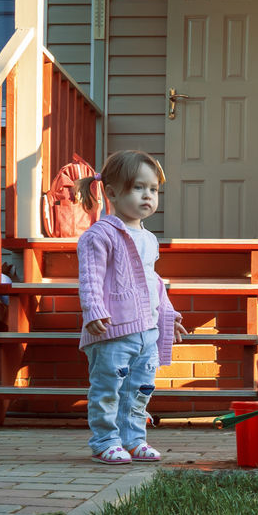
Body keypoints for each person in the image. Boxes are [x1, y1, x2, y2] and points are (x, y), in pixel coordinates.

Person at [76, 150, 187, 464]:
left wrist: (167, 314)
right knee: (109, 389)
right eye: (138, 188)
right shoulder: (99, 236)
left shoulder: (149, 238)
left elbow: (152, 281)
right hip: (113, 332)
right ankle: (104, 441)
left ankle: (133, 439)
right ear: (111, 192)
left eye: (153, 190)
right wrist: (94, 310)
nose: (148, 196)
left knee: (139, 390)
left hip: (147, 332)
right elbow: (90, 278)